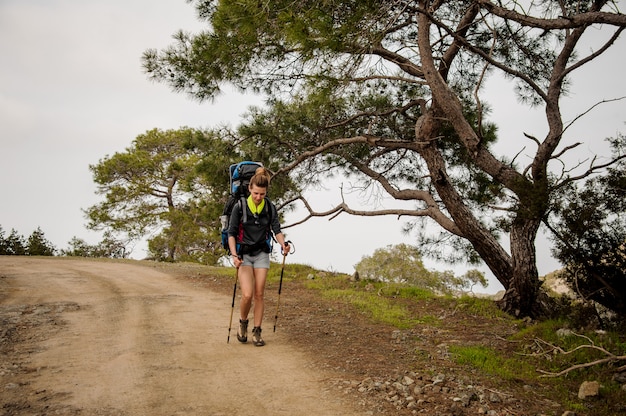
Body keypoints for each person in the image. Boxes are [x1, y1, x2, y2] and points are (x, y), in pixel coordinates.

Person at [227, 167, 290, 346]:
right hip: (243, 255)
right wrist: (234, 255)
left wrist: (283, 244)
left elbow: (276, 229)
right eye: (255, 193)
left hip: (262, 253)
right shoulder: (239, 207)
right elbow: (231, 232)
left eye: (262, 194)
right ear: (250, 189)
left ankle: (257, 331)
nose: (258, 197)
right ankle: (243, 323)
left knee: (259, 294)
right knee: (247, 294)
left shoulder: (269, 207)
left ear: (266, 192)